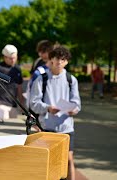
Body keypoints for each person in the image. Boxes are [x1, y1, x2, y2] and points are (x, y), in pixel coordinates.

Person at [29, 46, 81, 180]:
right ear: (51, 59)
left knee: (69, 160)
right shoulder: (41, 79)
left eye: (63, 59)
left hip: (66, 127)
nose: (59, 61)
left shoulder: (71, 80)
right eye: (57, 58)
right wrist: (47, 108)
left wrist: (73, 110)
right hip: (47, 126)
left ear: (67, 62)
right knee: (48, 162)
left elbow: (77, 104)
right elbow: (33, 103)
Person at [0, 44, 25, 121]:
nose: (13, 60)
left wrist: (22, 104)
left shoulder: (17, 69)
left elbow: (19, 87)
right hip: (0, 104)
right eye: (11, 58)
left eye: (15, 58)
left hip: (13, 105)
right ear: (5, 57)